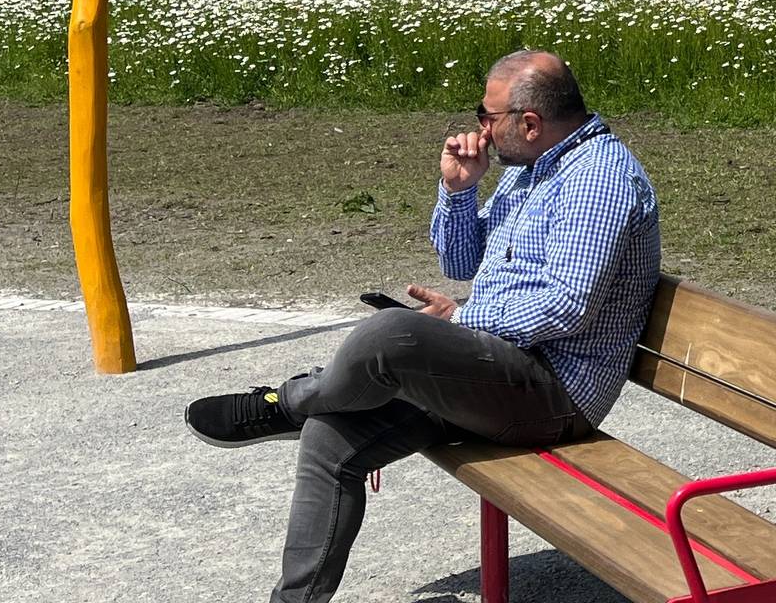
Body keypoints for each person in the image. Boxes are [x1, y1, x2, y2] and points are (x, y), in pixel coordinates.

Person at [184, 49, 663, 603]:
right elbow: (463, 264)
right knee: (330, 438)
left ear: (529, 123)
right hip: (495, 370)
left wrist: (461, 319)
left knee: (391, 336)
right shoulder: (533, 170)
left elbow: (566, 307)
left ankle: (290, 402)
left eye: (487, 116)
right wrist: (460, 191)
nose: (478, 129)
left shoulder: (599, 180)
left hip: (553, 393)